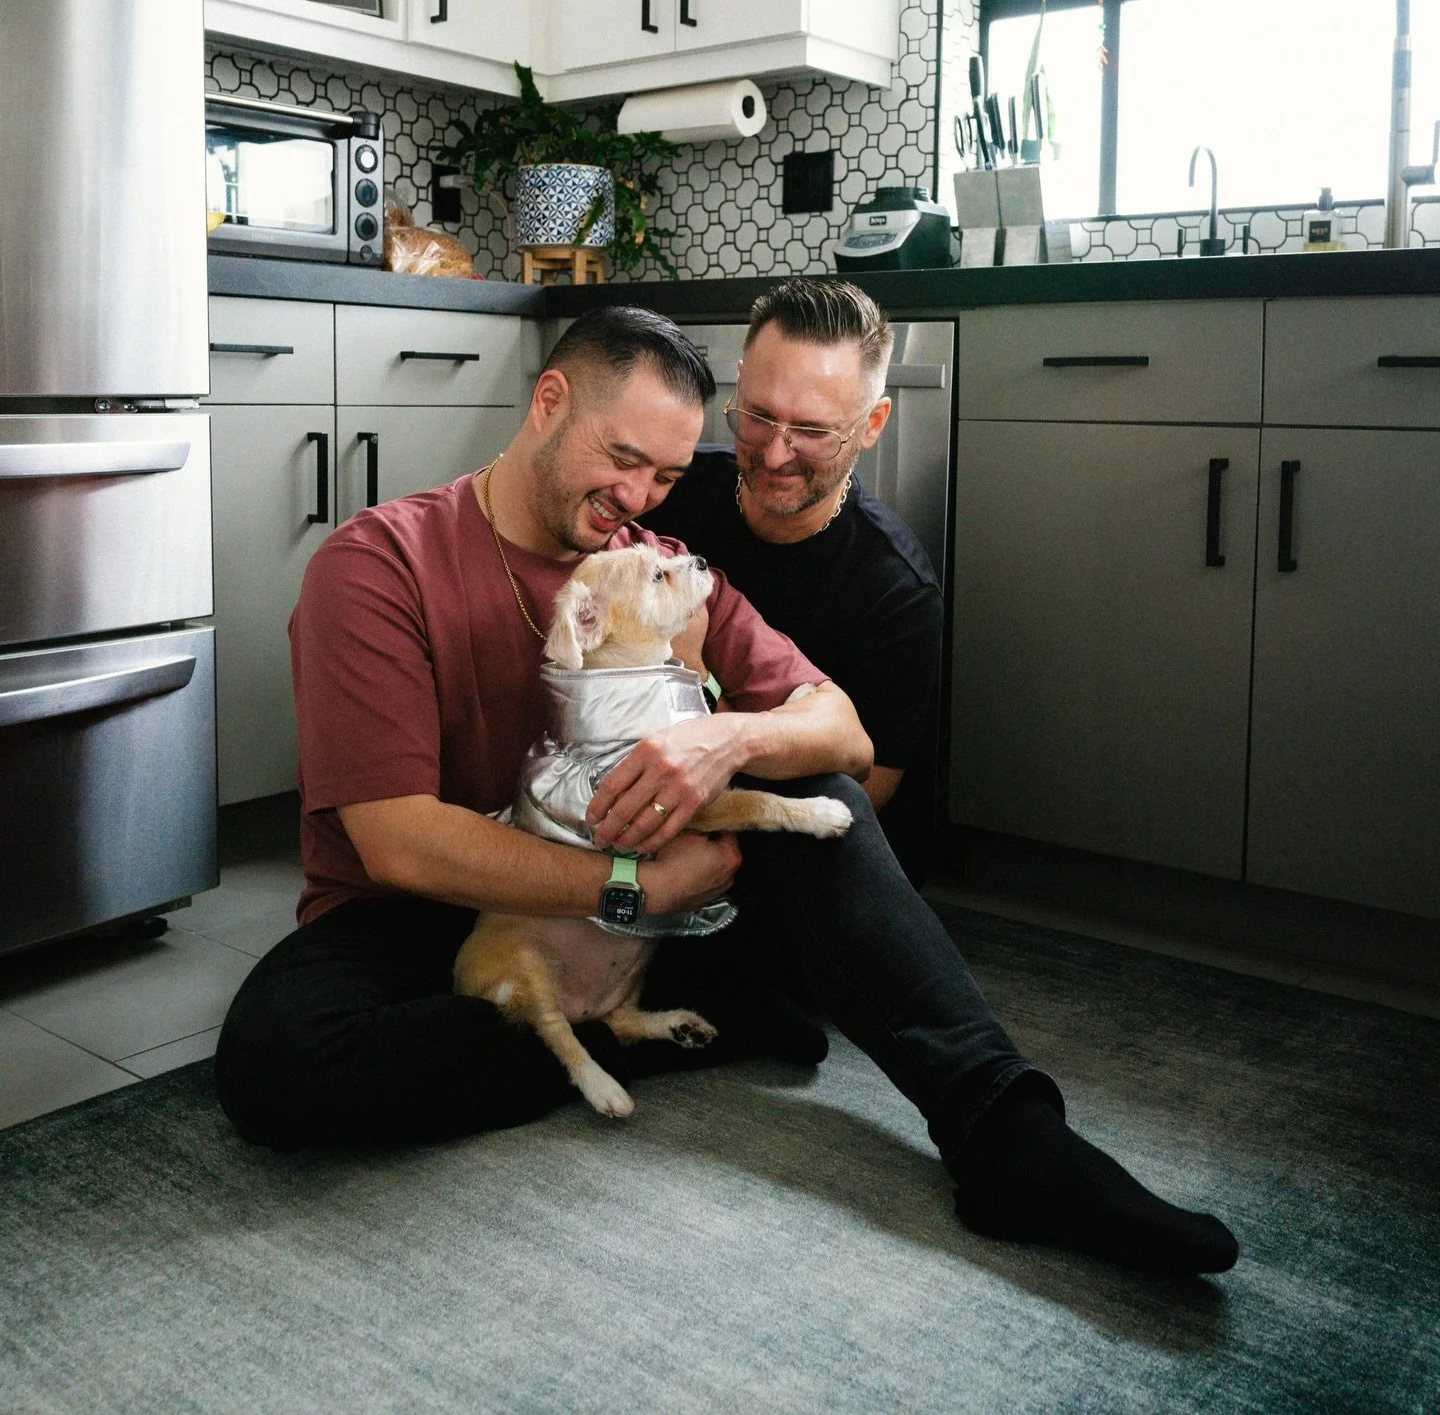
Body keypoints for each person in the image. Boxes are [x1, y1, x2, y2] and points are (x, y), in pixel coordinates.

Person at [215, 305, 1238, 1278]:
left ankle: (1008, 1130)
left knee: (812, 786)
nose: (642, 500)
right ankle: (668, 1023)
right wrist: (634, 890)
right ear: (548, 402)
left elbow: (840, 727)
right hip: (421, 916)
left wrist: (722, 738)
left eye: (665, 475)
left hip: (621, 916)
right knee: (277, 1064)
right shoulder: (381, 566)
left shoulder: (660, 566)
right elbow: (398, 845)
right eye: (623, 459)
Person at [655, 280, 942, 885]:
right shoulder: (667, 495)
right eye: (757, 417)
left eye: (812, 430)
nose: (776, 454)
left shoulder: (896, 592)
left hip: (789, 843)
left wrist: (721, 722)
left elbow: (863, 794)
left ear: (872, 424)